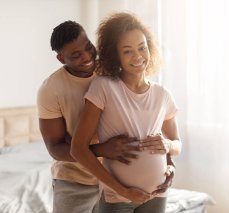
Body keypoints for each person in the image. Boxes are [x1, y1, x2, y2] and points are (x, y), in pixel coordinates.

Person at [37, 20, 175, 213]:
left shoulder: (110, 71)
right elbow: (54, 148)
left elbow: (145, 123)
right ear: (61, 59)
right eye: (76, 55)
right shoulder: (51, 89)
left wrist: (168, 163)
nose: (87, 58)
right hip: (76, 179)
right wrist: (102, 149)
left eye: (88, 48)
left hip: (117, 178)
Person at [70, 12, 182, 213]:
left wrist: (168, 148)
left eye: (142, 47)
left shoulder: (163, 94)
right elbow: (78, 149)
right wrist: (124, 191)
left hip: (158, 194)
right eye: (127, 51)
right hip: (117, 197)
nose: (138, 56)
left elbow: (177, 144)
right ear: (116, 55)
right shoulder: (103, 87)